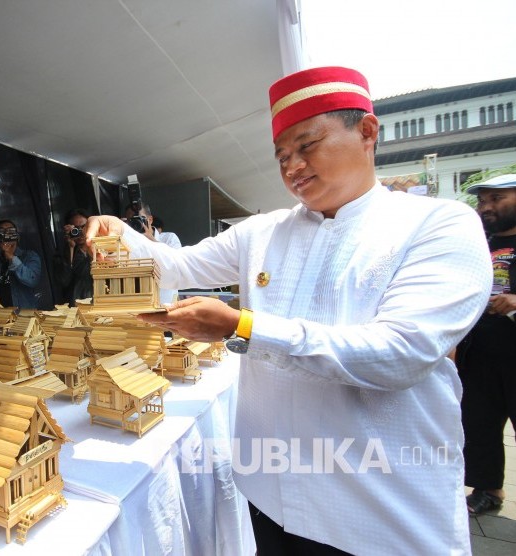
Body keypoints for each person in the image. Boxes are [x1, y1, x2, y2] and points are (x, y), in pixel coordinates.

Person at [85, 66, 491, 554]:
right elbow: (173, 267)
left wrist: (244, 327)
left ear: (367, 132)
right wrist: (118, 231)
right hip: (271, 492)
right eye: (281, 155)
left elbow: (400, 353)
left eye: (307, 145)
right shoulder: (263, 231)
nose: (292, 166)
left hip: (378, 503)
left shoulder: (436, 225)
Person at [457, 173, 516, 515]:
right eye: (483, 201)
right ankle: (488, 489)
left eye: (496, 199)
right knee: (480, 421)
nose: (487, 207)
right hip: (479, 351)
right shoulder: (477, 242)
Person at [0, 219, 42, 309]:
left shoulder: (29, 256)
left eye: (10, 231)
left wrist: (11, 257)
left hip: (22, 315)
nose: (6, 235)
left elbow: (32, 280)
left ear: (17, 237)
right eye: (1, 232)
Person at [123, 202, 178, 305]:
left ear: (150, 220)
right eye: (131, 221)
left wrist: (150, 239)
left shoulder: (169, 238)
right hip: (137, 306)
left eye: (139, 219)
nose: (135, 224)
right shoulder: (127, 244)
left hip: (165, 305)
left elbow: (174, 264)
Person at [52, 208, 93, 305]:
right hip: (74, 307)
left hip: (98, 303)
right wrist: (70, 248)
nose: (81, 231)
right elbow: (64, 280)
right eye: (76, 228)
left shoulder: (100, 249)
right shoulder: (62, 253)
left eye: (84, 226)